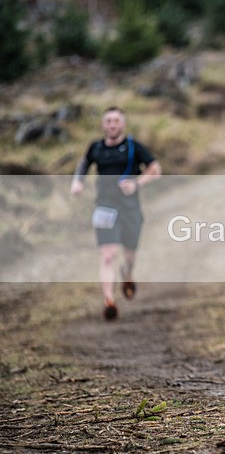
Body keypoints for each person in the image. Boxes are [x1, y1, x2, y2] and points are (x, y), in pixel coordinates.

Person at [71, 107, 162, 320]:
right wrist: (77, 182)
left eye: (116, 121)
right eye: (108, 121)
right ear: (103, 125)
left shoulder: (133, 147)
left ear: (123, 124)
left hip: (130, 208)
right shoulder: (96, 147)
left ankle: (127, 273)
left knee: (130, 254)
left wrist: (136, 183)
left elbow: (156, 169)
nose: (112, 125)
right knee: (108, 254)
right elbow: (84, 163)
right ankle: (109, 301)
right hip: (104, 206)